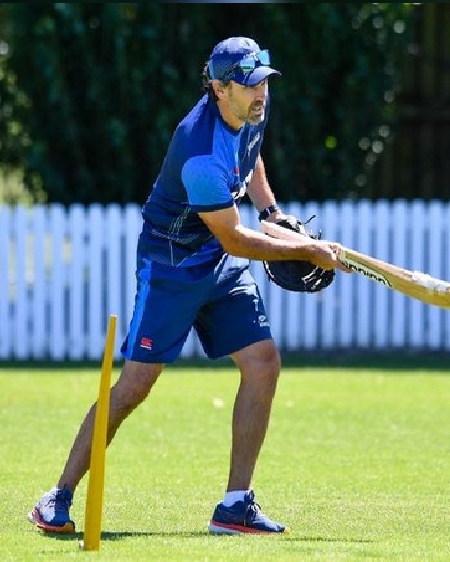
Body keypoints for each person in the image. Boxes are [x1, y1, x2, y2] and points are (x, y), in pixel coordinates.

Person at [28, 36, 349, 535]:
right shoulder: (199, 152)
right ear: (220, 89)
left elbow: (252, 157)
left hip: (217, 259)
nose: (260, 92)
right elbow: (237, 240)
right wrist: (307, 250)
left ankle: (235, 505)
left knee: (263, 362)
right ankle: (58, 495)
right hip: (173, 265)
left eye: (263, 80)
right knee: (135, 386)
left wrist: (272, 213)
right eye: (248, 84)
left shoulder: (251, 111)